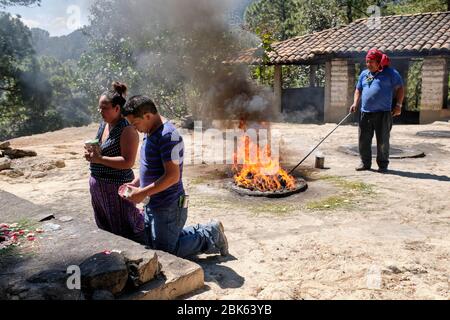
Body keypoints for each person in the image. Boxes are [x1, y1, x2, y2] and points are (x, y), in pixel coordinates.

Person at [119, 95, 228, 258]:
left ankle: (211, 234)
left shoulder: (168, 136)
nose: (135, 129)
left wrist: (142, 193)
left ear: (148, 116)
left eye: (135, 124)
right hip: (154, 201)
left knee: (167, 251)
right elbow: (150, 167)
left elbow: (172, 176)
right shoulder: (150, 130)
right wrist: (136, 184)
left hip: (169, 205)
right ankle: (209, 229)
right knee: (157, 242)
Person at [85, 82, 144, 243]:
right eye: (99, 108)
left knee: (126, 231)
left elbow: (127, 162)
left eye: (104, 108)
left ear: (117, 108)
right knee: (106, 230)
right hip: (99, 185)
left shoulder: (127, 129)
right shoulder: (105, 124)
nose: (100, 112)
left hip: (116, 187)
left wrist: (99, 159)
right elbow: (101, 148)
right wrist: (92, 153)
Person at [350, 48, 405, 173]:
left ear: (379, 62)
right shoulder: (364, 74)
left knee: (383, 140)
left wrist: (398, 105)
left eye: (371, 62)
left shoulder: (391, 73)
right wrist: (355, 103)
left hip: (383, 113)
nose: (368, 64)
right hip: (365, 113)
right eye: (367, 61)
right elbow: (358, 89)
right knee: (363, 140)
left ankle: (383, 165)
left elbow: (400, 88)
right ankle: (365, 163)